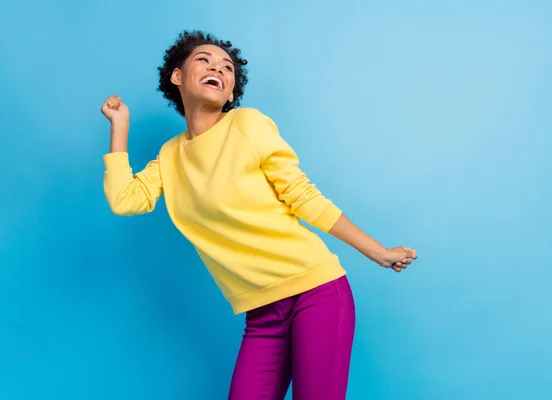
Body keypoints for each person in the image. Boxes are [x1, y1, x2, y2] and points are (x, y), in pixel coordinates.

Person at [100, 30, 418, 400]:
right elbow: (126, 200)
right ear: (177, 76)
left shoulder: (247, 125)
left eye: (227, 67)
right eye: (204, 60)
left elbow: (303, 197)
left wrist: (378, 252)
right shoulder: (171, 156)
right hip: (261, 313)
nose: (217, 67)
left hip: (316, 293)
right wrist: (120, 128)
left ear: (231, 92)